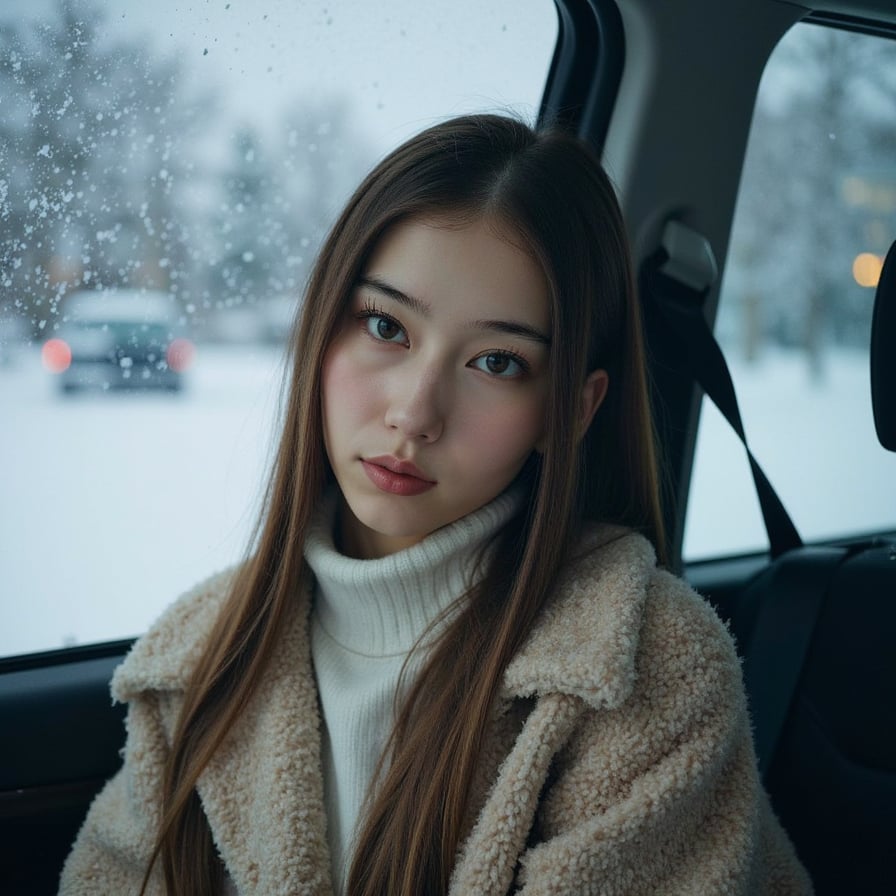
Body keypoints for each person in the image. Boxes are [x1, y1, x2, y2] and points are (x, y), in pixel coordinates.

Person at [59, 113, 812, 896]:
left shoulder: (645, 667)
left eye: (497, 361)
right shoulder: (199, 656)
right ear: (321, 333)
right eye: (385, 325)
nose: (416, 413)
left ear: (569, 413)